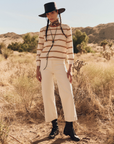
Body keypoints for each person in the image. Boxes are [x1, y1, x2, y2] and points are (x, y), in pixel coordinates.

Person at [36, 2, 80, 142]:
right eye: (48, 14)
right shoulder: (43, 30)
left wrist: (70, 68)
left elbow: (69, 48)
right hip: (45, 64)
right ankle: (54, 126)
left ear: (57, 12)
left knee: (67, 93)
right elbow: (39, 49)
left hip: (61, 63)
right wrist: (37, 68)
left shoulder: (66, 28)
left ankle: (69, 127)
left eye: (52, 13)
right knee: (47, 94)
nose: (50, 16)